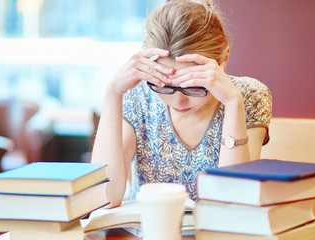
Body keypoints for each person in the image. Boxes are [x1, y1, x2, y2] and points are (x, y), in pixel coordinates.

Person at [91, 0, 272, 206]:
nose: (178, 100)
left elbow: (234, 200)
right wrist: (113, 93)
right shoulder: (137, 96)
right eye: (165, 86)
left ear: (224, 59)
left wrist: (232, 102)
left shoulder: (249, 95)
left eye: (194, 86)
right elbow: (104, 198)